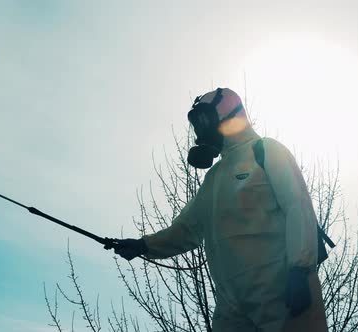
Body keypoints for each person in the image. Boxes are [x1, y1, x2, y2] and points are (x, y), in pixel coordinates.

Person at [107, 88, 328, 331]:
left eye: (204, 120)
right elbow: (186, 230)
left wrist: (300, 268)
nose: (200, 130)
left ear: (226, 115)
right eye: (196, 124)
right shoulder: (213, 178)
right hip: (230, 307)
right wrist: (143, 245)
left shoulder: (265, 151)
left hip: (281, 292)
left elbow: (297, 205)